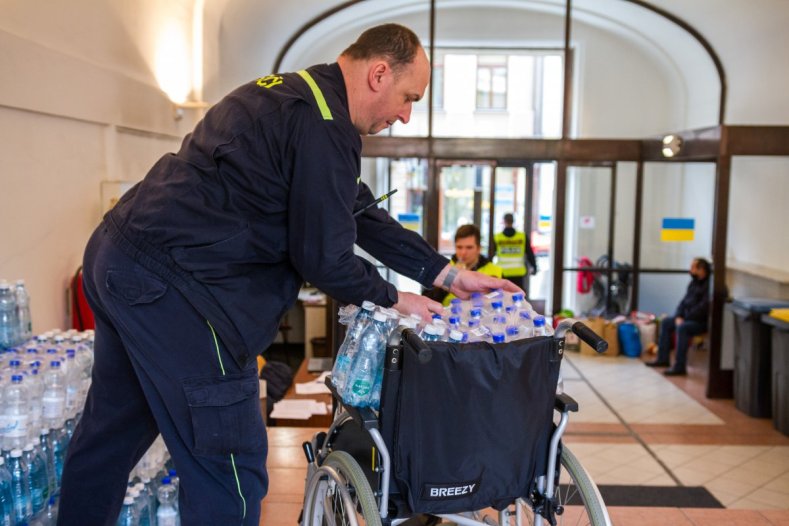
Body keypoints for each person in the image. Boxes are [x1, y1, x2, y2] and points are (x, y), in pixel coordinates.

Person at [57, 24, 520, 525]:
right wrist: (396, 299)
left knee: (109, 435)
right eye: (408, 98)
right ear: (379, 73)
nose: (405, 115)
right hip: (180, 292)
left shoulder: (295, 97)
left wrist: (447, 275)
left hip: (117, 257)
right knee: (229, 470)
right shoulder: (323, 125)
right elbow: (323, 257)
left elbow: (355, 210)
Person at [645, 258, 711, 376]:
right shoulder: (693, 283)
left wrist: (684, 318)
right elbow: (683, 302)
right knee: (666, 322)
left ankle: (680, 366)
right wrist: (678, 316)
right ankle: (663, 359)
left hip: (699, 322)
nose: (690, 270)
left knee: (683, 328)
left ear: (701, 270)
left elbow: (702, 309)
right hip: (685, 318)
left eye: (693, 268)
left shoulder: (709, 286)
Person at [424, 224, 502, 306]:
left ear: (479, 249)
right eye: (459, 247)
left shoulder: (495, 270)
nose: (463, 253)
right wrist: (450, 278)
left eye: (469, 247)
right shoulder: (443, 268)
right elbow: (427, 300)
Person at [493, 212, 537, 292]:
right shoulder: (522, 236)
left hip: (503, 272)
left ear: (504, 221)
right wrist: (534, 266)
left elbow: (491, 255)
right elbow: (530, 253)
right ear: (513, 221)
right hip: (518, 273)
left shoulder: (497, 237)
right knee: (518, 297)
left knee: (504, 296)